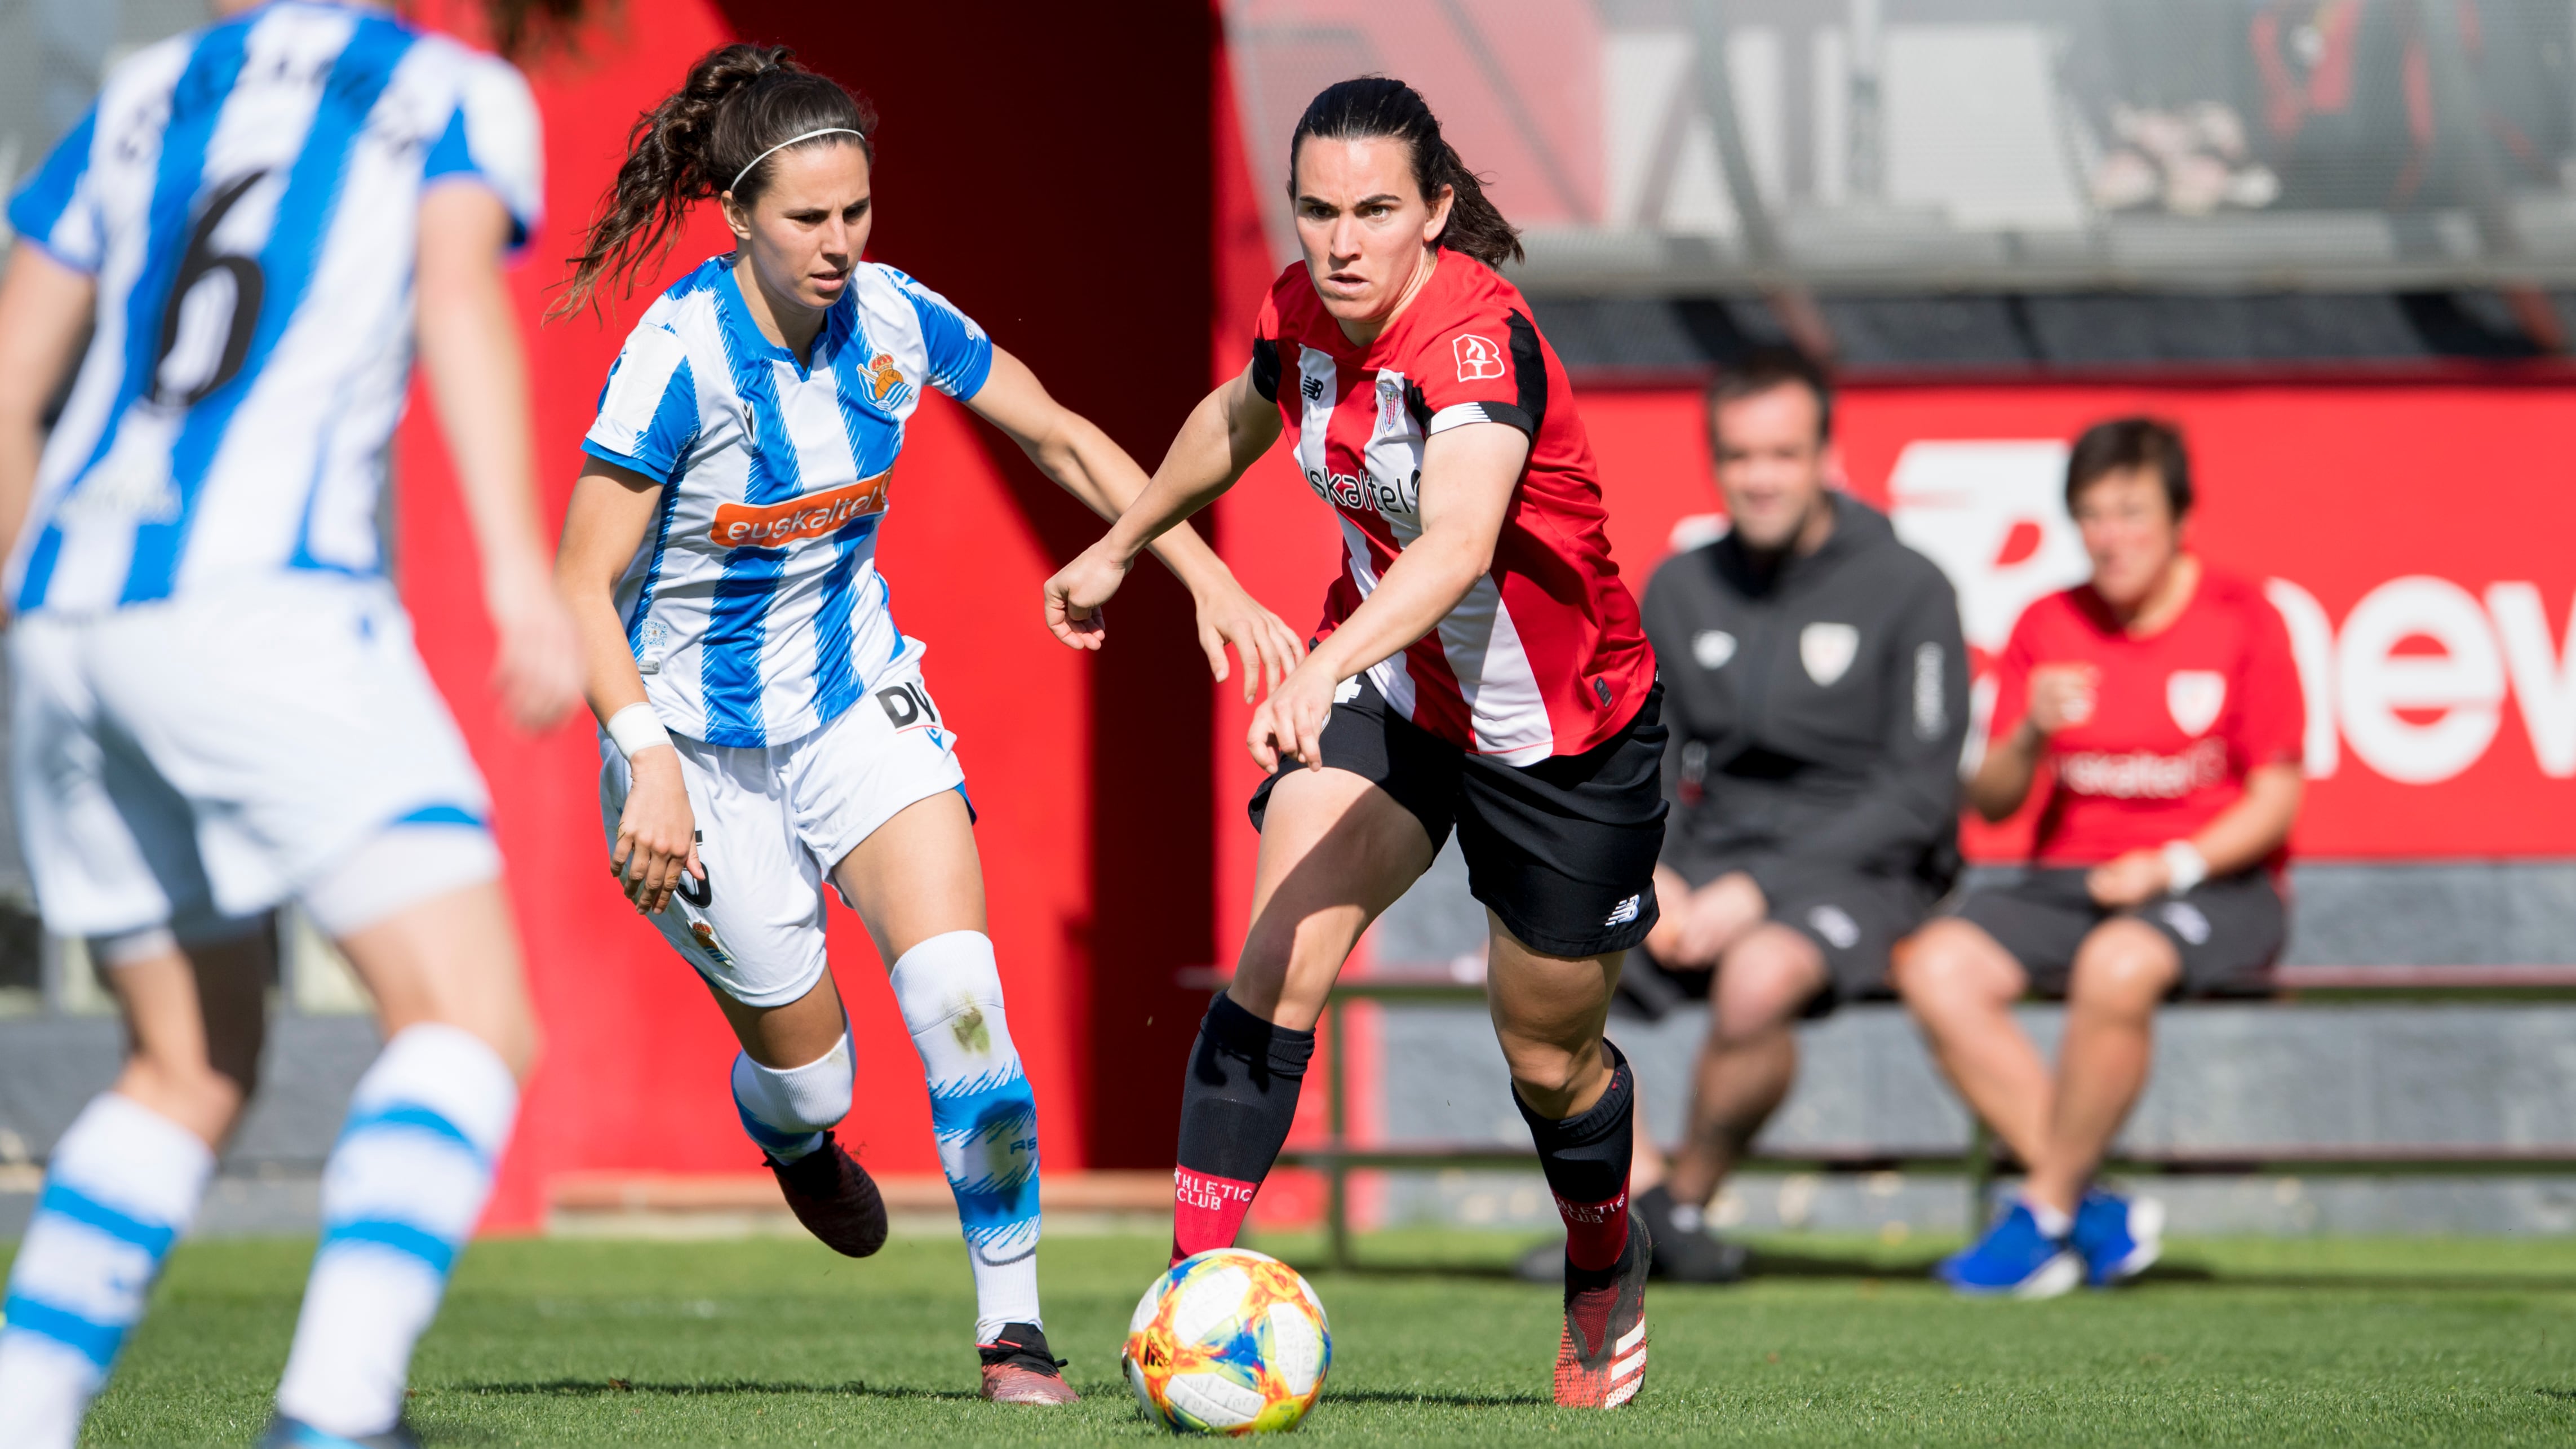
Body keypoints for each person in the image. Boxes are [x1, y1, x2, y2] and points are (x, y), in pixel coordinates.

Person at [549, 44, 1301, 1404]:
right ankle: (791, 1133)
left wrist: (1206, 575)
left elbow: (1063, 436)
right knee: (818, 1079)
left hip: (856, 708)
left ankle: (1014, 1338)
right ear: (738, 218)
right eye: (808, 220)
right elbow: (577, 584)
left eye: (858, 212)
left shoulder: (894, 318)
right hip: (694, 755)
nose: (840, 245)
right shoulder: (678, 358)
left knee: (966, 1012)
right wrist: (645, 758)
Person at [0, 0, 588, 1443]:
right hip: (267, 599)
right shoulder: (445, 90)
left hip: (68, 610)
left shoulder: (138, 93)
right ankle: (335, 1411)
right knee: (469, 1018)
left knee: (187, 1064)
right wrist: (525, 582)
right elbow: (455, 296)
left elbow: (12, 382)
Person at [1045, 77, 1665, 1410]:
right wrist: (1120, 543)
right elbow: (1240, 413)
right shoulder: (1301, 304)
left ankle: (1605, 1250)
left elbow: (1454, 542)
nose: (1341, 241)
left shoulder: (1479, 344)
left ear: (1436, 212)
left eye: (1376, 210)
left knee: (1548, 1056)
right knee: (1277, 958)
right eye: (1318, 209)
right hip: (1393, 698)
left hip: (1560, 741)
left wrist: (1318, 659)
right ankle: (1191, 1299)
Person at [1521, 349, 1966, 1286]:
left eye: (1783, 455)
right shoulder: (1682, 586)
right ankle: (1622, 1216)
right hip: (1705, 865)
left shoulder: (1910, 587)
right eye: (1739, 457)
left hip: (1861, 873)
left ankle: (1681, 1207)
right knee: (1537, 958)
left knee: (1760, 978)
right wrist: (1662, 871)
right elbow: (1643, 752)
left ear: (1826, 459)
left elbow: (1921, 793)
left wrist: (1759, 891)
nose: (1760, 478)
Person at [1896, 417, 2303, 1298]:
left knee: (2116, 963)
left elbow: (2276, 801)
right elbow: (1993, 800)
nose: (2111, 537)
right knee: (1933, 965)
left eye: (2131, 511)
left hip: (2214, 882)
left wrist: (2174, 866)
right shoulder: (2048, 621)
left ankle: (2041, 1209)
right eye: (2091, 515)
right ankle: (2089, 1209)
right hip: (2073, 877)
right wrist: (2032, 728)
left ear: (2180, 517)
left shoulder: (2245, 618)